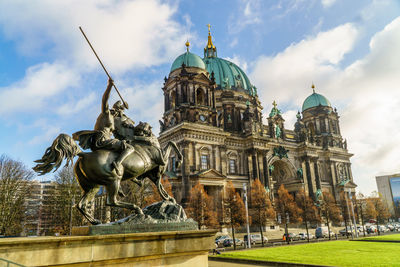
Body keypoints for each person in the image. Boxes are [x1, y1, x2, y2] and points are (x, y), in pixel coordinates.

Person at [73, 78, 134, 176]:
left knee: (119, 148)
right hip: (102, 141)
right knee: (130, 148)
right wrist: (109, 86)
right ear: (116, 109)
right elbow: (104, 99)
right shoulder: (106, 113)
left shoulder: (112, 118)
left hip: (103, 141)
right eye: (120, 110)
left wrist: (124, 105)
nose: (120, 113)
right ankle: (117, 163)